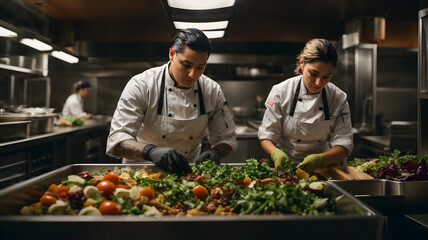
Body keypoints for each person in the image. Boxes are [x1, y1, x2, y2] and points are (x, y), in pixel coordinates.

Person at [106, 28, 237, 174]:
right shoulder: (141, 85)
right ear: (172, 54)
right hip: (142, 172)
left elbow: (227, 138)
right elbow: (117, 140)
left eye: (200, 67)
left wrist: (217, 152)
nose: (193, 74)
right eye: (186, 65)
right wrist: (150, 151)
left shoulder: (212, 90)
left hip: (188, 174)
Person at [258, 38, 353, 174]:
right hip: (284, 167)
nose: (318, 82)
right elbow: (267, 136)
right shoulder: (281, 92)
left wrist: (320, 159)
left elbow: (344, 144)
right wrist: (276, 154)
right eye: (313, 74)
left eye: (326, 77)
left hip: (323, 167)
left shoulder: (338, 98)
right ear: (302, 64)